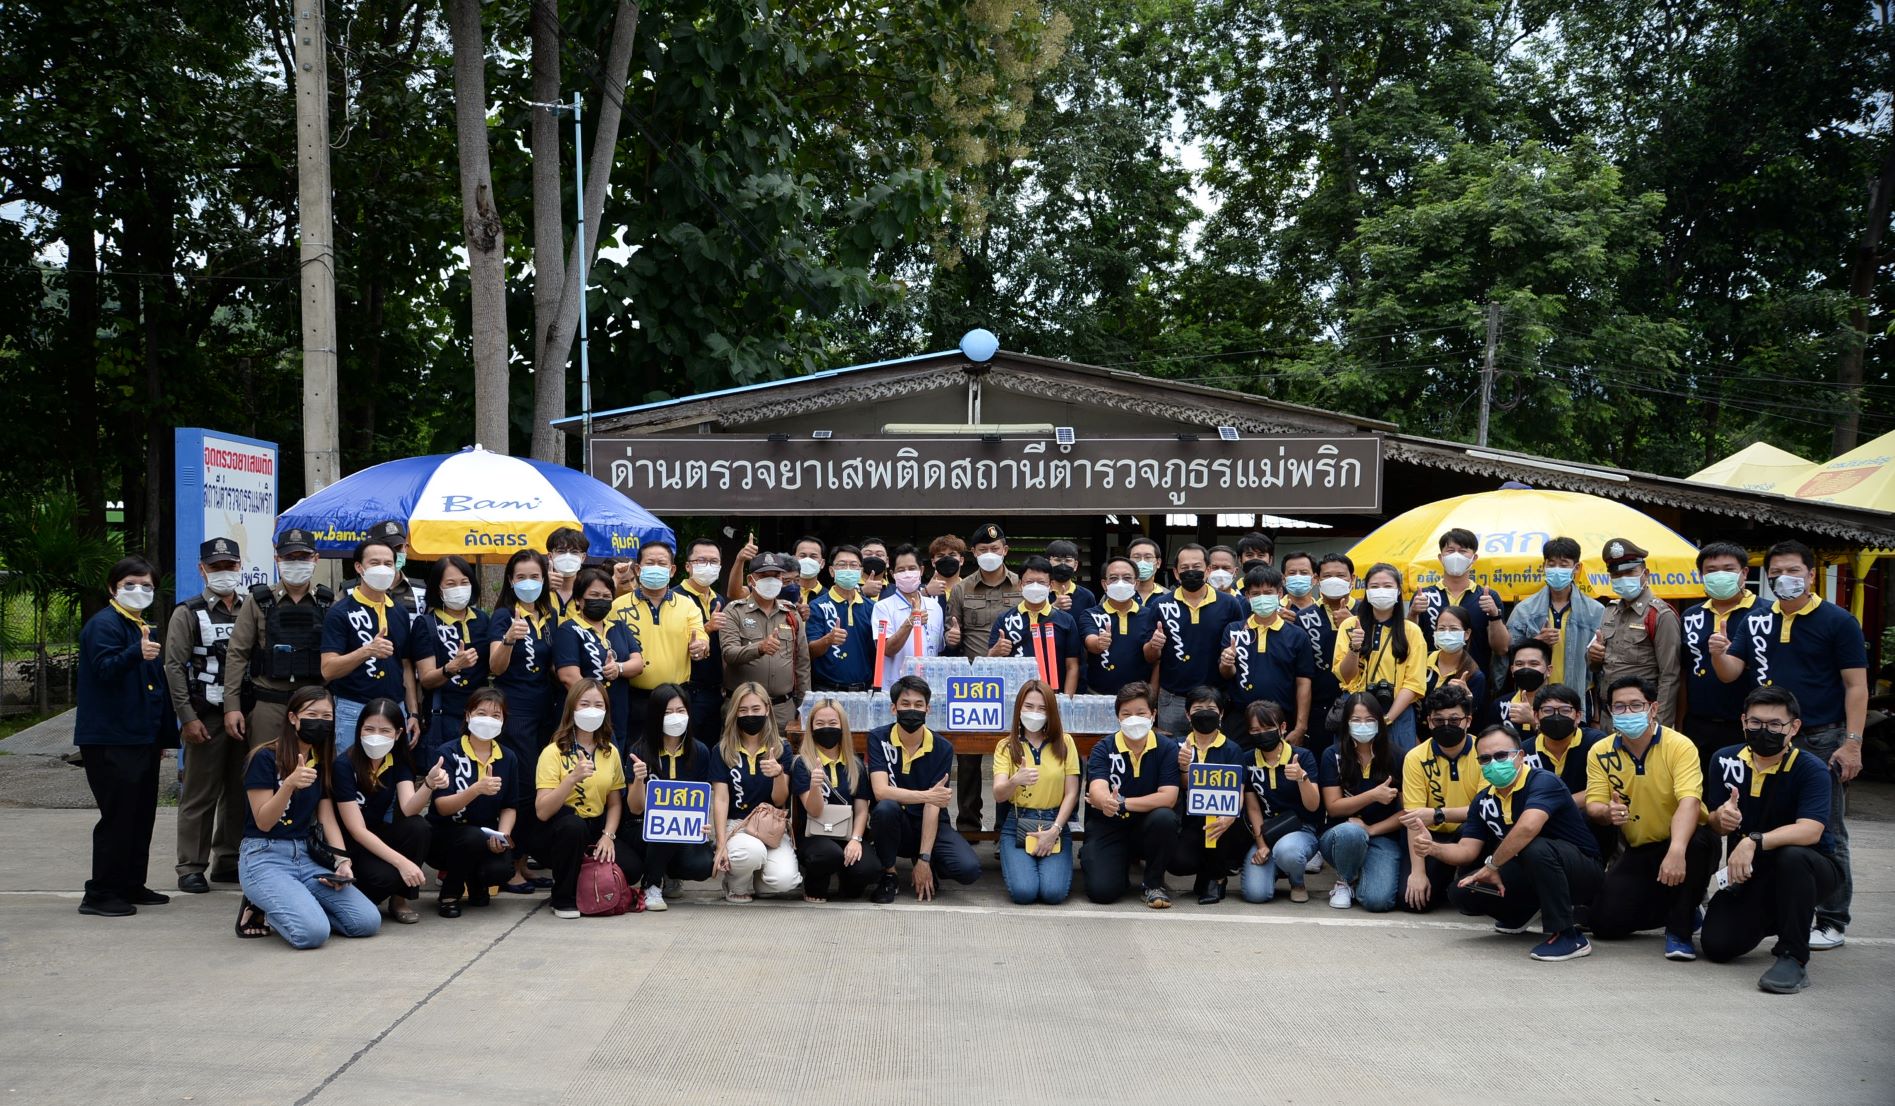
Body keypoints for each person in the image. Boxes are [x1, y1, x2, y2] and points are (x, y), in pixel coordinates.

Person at [1723, 539, 1867, 953]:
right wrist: (1718, 652)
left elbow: (1856, 686)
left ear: (1810, 575)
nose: (1784, 579)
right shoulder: (1756, 620)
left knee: (1827, 829)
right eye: (1775, 573)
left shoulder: (1838, 621)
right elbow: (1733, 669)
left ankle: (1833, 919)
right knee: (1757, 819)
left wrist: (1852, 743)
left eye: (1793, 571)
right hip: (1766, 736)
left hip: (1821, 737)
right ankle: (1757, 904)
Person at [1701, 687, 1845, 993]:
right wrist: (1720, 818)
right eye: (1755, 722)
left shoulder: (1811, 769)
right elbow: (1713, 822)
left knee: (1792, 857)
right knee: (1717, 945)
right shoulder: (1724, 760)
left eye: (1775, 724)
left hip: (1812, 869)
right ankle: (1784, 914)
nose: (1764, 731)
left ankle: (1793, 955)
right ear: (1743, 721)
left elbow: (1811, 830)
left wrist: (1753, 840)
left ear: (1794, 727)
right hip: (1752, 875)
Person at [1434, 723, 1605, 961]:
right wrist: (1432, 847)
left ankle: (1569, 935)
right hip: (1533, 870)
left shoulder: (1543, 781)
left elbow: (1527, 828)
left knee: (1534, 846)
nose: (1493, 763)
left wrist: (1493, 865)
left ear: (1521, 756)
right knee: (1463, 890)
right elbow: (1467, 851)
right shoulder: (1483, 800)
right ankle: (1520, 913)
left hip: (1581, 871)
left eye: (1501, 755)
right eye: (1485, 759)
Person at [235, 685, 380, 947]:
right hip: (264, 855)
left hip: (304, 855)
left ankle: (295, 904)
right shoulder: (264, 757)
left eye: (327, 717)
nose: (320, 722)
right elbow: (263, 822)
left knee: (367, 922)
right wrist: (289, 785)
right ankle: (263, 905)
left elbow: (326, 818)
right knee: (312, 934)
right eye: (312, 715)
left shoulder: (321, 761)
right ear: (293, 717)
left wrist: (341, 861)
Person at [1585, 675, 1717, 960]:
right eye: (1619, 707)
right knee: (1603, 924)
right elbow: (1593, 804)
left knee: (1699, 843)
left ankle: (1680, 928)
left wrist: (1676, 850)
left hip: (1685, 840)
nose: (1627, 712)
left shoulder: (1679, 745)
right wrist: (1607, 812)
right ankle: (1675, 907)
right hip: (1640, 846)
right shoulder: (1600, 751)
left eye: (1636, 705)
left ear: (1653, 708)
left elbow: (1690, 801)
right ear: (1610, 711)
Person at [74, 555, 172, 917]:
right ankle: (100, 893)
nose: (139, 591)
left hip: (140, 737)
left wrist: (160, 737)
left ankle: (131, 883)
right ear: (112, 588)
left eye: (146, 585)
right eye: (130, 584)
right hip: (111, 738)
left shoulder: (139, 626)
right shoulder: (105, 625)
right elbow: (105, 669)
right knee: (118, 816)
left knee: (140, 814)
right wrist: (136, 652)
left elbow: (153, 686)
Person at [165, 536, 249, 894]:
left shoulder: (252, 606)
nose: (224, 571)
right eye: (216, 566)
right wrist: (187, 717)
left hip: (245, 713)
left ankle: (228, 859)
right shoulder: (188, 612)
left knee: (240, 791)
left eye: (230, 565)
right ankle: (190, 866)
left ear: (240, 566)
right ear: (202, 569)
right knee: (200, 793)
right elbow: (174, 667)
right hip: (205, 714)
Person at [530, 679, 645, 919]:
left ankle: (583, 880)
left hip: (596, 827)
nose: (591, 710)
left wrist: (608, 836)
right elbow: (542, 811)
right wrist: (572, 778)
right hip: (561, 828)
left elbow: (615, 803)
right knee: (573, 827)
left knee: (632, 868)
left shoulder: (610, 751)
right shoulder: (553, 751)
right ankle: (562, 897)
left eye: (598, 705)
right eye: (584, 704)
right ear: (572, 708)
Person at [866, 676, 982, 903]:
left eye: (918, 705)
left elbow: (933, 805)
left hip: (930, 822)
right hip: (896, 821)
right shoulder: (878, 738)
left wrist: (924, 859)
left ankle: (928, 864)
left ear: (928, 709)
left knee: (969, 869)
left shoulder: (942, 747)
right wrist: (927, 795)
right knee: (885, 808)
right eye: (905, 704)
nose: (912, 710)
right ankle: (889, 874)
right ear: (893, 708)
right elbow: (881, 791)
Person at [332, 698, 445, 924]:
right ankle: (351, 901)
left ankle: (400, 900)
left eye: (385, 731)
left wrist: (429, 784)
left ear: (398, 733)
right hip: (350, 843)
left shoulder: (398, 759)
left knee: (418, 827)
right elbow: (356, 829)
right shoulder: (344, 765)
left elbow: (409, 808)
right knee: (387, 877)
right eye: (369, 729)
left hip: (378, 832)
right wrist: (402, 863)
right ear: (359, 729)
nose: (376, 736)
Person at [223, 528, 330, 756]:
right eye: (289, 557)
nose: (296, 563)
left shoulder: (328, 603)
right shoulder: (257, 601)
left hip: (313, 706)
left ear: (316, 559)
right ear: (277, 559)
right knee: (263, 765)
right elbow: (237, 654)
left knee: (314, 767)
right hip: (269, 703)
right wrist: (231, 707)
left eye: (303, 557)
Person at [1082, 682, 1181, 907]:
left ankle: (1153, 883)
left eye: (1141, 713)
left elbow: (1168, 797)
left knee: (1165, 818)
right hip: (1109, 826)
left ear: (1153, 714)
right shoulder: (1104, 748)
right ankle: (1118, 868)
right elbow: (1097, 789)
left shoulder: (1167, 748)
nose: (1133, 719)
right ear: (1118, 717)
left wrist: (1123, 802)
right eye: (1126, 714)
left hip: (1147, 826)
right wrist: (1105, 801)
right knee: (1101, 892)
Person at [948, 522, 1020, 832]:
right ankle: (968, 824)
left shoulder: (1021, 586)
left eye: (995, 548)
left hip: (1014, 683)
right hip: (973, 684)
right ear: (973, 553)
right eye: (983, 550)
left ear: (1005, 550)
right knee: (968, 754)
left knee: (1014, 752)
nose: (989, 553)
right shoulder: (961, 589)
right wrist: (951, 638)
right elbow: (953, 636)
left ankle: (1009, 825)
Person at [320, 536, 420, 755]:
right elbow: (328, 669)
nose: (382, 569)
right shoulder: (340, 612)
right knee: (350, 770)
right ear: (359, 567)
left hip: (395, 708)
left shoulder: (399, 612)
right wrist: (367, 651)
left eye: (388, 563)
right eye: (375, 563)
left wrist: (412, 713)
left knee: (394, 771)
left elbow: (405, 665)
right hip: (353, 708)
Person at [428, 689, 523, 918]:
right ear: (468, 715)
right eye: (481, 713)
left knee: (503, 869)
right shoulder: (448, 752)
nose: (488, 720)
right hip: (445, 836)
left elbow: (509, 806)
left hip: (486, 834)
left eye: (496, 716)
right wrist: (476, 790)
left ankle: (476, 882)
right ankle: (450, 893)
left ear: (503, 721)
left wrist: (502, 836)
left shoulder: (508, 757)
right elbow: (442, 807)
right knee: (471, 837)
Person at [711, 682, 805, 902]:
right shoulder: (723, 750)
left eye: (756, 709)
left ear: (767, 709)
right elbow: (721, 799)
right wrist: (720, 843)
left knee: (785, 881)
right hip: (737, 825)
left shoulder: (781, 747)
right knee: (752, 852)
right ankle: (735, 885)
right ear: (734, 713)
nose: (750, 715)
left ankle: (757, 879)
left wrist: (778, 774)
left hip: (770, 825)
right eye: (743, 710)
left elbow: (780, 799)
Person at [612, 541, 710, 749]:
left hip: (675, 699)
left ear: (672, 570)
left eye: (662, 563)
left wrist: (700, 647)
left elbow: (701, 637)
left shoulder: (687, 605)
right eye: (650, 563)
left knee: (675, 752)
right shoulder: (617, 606)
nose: (656, 567)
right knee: (634, 752)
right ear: (638, 569)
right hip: (633, 698)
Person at [991, 681, 1080, 905]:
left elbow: (1071, 793)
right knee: (1024, 892)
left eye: (1042, 708)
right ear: (1019, 708)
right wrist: (1015, 780)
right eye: (1029, 707)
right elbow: (999, 794)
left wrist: (1055, 830)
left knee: (1053, 893)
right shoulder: (1006, 746)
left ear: (1051, 713)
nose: (1035, 713)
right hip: (1018, 822)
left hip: (1055, 821)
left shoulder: (1065, 742)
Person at [1397, 684, 1483, 912]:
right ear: (1429, 722)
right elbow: (1415, 819)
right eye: (1438, 720)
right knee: (1412, 902)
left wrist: (1437, 814)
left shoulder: (1484, 753)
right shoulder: (1415, 757)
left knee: (1472, 903)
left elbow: (1483, 809)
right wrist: (1418, 873)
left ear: (1468, 720)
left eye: (1454, 720)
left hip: (1472, 833)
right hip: (1430, 835)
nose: (1446, 725)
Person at [632, 684, 716, 910]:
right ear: (655, 716)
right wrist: (639, 780)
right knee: (666, 820)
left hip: (682, 832)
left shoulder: (700, 752)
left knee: (702, 864)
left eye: (680, 711)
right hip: (642, 829)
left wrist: (702, 823)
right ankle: (651, 885)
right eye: (667, 712)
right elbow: (635, 808)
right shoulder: (639, 751)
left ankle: (668, 872)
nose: (675, 717)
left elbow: (701, 800)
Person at [1318, 694, 1404, 911]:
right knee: (1352, 832)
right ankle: (1345, 881)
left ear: (1380, 722)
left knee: (1378, 901)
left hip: (1382, 836)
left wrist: (1371, 829)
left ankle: (1361, 877)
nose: (1363, 725)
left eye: (1369, 720)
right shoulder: (1332, 755)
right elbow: (1333, 807)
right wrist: (1373, 795)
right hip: (1341, 836)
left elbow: (1406, 813)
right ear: (1346, 723)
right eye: (1356, 720)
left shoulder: (1397, 756)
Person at [1151, 543, 1247, 736]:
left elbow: (1238, 648)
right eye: (1185, 568)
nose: (1191, 572)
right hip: (1173, 699)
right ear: (1176, 573)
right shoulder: (1160, 604)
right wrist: (1154, 645)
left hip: (1214, 699)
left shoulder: (1230, 604)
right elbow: (1151, 657)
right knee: (1173, 751)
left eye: (1196, 567)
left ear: (1208, 570)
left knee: (1213, 750)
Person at [1678, 541, 1757, 775]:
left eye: (1728, 569)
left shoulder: (1765, 614)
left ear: (1744, 573)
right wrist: (1680, 723)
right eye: (1711, 571)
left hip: (1747, 726)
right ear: (1701, 576)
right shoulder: (1691, 616)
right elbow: (1684, 673)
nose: (1720, 575)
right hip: (1698, 726)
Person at [1587, 537, 1682, 726]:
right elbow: (1600, 666)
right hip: (1608, 715)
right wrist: (1594, 657)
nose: (1623, 579)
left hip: (1641, 717)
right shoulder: (1610, 611)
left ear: (1645, 574)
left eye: (1630, 572)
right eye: (1616, 575)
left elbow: (1670, 676)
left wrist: (1658, 725)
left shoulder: (1660, 615)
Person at [1334, 563, 1428, 754]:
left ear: (1398, 591)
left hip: (1398, 713)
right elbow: (1345, 676)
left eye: (1388, 586)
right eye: (1375, 586)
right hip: (1356, 712)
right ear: (1366, 592)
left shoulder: (1411, 631)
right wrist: (1354, 648)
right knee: (1352, 763)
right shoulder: (1350, 625)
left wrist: (1388, 718)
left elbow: (1414, 683)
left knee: (1398, 766)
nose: (1381, 591)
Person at [1505, 536, 1604, 712]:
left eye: (1564, 565)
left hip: (1578, 695)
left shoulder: (1595, 611)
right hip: (1534, 697)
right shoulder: (1524, 610)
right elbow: (1508, 653)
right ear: (1544, 566)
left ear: (1576, 568)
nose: (1557, 570)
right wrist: (1536, 642)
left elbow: (1600, 670)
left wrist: (1597, 713)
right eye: (1551, 564)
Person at [1237, 700, 1322, 904]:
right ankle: (1274, 868)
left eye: (1268, 728)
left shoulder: (1302, 756)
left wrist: (1302, 778)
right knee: (1256, 894)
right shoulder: (1247, 760)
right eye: (1255, 730)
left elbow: (1313, 805)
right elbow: (1253, 808)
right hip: (1267, 831)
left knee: (1288, 851)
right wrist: (1261, 845)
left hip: (1302, 830)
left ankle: (1297, 881)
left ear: (1282, 727)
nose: (1262, 734)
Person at [794, 699, 878, 902]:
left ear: (842, 726)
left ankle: (847, 882)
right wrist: (815, 785)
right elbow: (814, 811)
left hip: (847, 833)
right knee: (828, 854)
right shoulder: (802, 763)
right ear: (811, 728)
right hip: (814, 834)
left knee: (869, 869)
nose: (827, 728)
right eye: (819, 723)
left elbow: (861, 810)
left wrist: (856, 840)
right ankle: (814, 886)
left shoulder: (855, 765)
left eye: (833, 723)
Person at [1220, 565, 1315, 744]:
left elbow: (1303, 683)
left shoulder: (1297, 635)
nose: (1262, 598)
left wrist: (1301, 727)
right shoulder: (1233, 630)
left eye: (1268, 592)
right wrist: (1226, 663)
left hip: (1281, 718)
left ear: (1279, 593)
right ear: (1247, 596)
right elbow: (1227, 674)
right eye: (1256, 594)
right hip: (1240, 718)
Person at [1170, 685, 1247, 903]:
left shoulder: (1232, 749)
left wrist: (1229, 816)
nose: (1205, 714)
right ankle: (1205, 872)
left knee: (1219, 828)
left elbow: (1239, 789)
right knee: (1177, 862)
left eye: (1211, 709)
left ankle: (1218, 877)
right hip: (1190, 820)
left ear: (1221, 714)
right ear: (1188, 714)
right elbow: (1182, 786)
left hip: (1224, 821)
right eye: (1198, 709)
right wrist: (1184, 767)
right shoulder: (1177, 745)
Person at [485, 549, 559, 775]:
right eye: (521, 577)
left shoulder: (550, 615)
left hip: (546, 707)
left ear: (544, 579)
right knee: (525, 774)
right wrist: (508, 639)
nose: (529, 583)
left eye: (535, 577)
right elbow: (495, 667)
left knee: (546, 772)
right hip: (516, 709)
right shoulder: (503, 616)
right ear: (511, 580)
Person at [555, 567, 645, 750]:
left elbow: (638, 663)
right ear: (579, 599)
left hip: (618, 712)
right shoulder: (568, 630)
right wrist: (596, 706)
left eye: (606, 596)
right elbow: (568, 676)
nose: (601, 600)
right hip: (585, 715)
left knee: (615, 759)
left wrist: (618, 668)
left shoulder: (618, 627)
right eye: (594, 595)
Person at [721, 553, 810, 732]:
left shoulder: (791, 613)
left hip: (782, 709)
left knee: (783, 749)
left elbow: (802, 664)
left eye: (776, 576)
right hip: (743, 708)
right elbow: (729, 653)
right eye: (764, 576)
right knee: (739, 749)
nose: (771, 580)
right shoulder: (734, 611)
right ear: (751, 580)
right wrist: (759, 648)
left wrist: (804, 707)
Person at [412, 555, 489, 746]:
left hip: (481, 715)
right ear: (438, 588)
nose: (459, 588)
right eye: (451, 584)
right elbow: (426, 679)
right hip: (444, 716)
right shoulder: (426, 623)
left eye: (464, 582)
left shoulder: (482, 619)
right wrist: (452, 667)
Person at [1410, 528, 1509, 672]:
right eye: (1450, 551)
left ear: (1474, 558)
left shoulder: (1488, 597)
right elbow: (1409, 642)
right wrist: (1413, 613)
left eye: (1463, 551)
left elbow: (1502, 649)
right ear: (1441, 557)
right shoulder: (1424, 596)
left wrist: (1495, 615)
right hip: (1428, 677)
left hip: (1474, 677)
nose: (1456, 556)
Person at [988, 555, 1082, 694]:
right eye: (1030, 582)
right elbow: (989, 661)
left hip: (1053, 695)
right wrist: (995, 652)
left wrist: (1066, 700)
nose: (1035, 587)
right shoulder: (1005, 619)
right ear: (1020, 585)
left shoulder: (1066, 620)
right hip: (1015, 695)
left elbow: (1072, 666)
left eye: (1041, 582)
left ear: (1051, 586)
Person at [1290, 551, 1353, 749]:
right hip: (1318, 707)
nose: (1334, 580)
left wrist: (1351, 623)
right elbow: (1302, 674)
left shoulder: (1366, 612)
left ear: (1352, 579)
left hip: (1359, 704)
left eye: (1340, 575)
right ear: (1316, 579)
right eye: (1327, 576)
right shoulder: (1304, 617)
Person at [1080, 555, 1160, 697]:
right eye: (1113, 578)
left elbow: (1153, 659)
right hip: (1098, 695)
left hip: (1138, 697)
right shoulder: (1090, 614)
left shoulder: (1150, 615)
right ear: (1104, 584)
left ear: (1136, 583)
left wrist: (1155, 645)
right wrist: (1099, 643)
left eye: (1127, 578)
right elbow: (1090, 641)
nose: (1120, 583)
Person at [678, 537, 730, 746]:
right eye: (701, 561)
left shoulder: (719, 599)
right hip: (688, 689)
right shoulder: (675, 598)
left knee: (710, 747)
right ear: (688, 566)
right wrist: (707, 627)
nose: (708, 566)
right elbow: (671, 644)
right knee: (688, 747)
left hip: (715, 690)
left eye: (714, 561)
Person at [871, 544, 951, 675]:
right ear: (892, 574)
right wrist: (910, 622)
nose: (907, 573)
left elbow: (939, 648)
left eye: (912, 568)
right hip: (896, 683)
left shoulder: (935, 606)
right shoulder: (882, 607)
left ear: (921, 570)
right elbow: (886, 650)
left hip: (928, 683)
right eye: (901, 570)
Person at [807, 544, 875, 692]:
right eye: (842, 565)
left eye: (854, 565)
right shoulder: (817, 606)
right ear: (832, 571)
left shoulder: (872, 607)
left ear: (861, 571)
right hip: (827, 690)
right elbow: (809, 651)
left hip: (863, 690)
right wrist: (828, 639)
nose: (848, 569)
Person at [345, 519, 426, 630]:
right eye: (386, 549)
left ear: (406, 548)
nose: (392, 554)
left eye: (397, 548)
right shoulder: (348, 592)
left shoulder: (422, 592)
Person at [1421, 604, 1488, 714]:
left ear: (1467, 634)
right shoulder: (1422, 660)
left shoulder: (1474, 676)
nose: (1447, 633)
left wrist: (1468, 698)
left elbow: (1473, 716)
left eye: (1454, 629)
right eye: (1441, 628)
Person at [1492, 640, 1553, 738]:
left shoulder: (1561, 704)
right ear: (1512, 670)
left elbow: (1564, 744)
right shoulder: (1500, 705)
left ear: (1549, 670)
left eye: (1534, 664)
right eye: (1519, 664)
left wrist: (1533, 720)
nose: (1526, 669)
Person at [545, 525, 590, 618]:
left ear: (583, 557)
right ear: (550, 556)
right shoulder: (537, 591)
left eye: (574, 552)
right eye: (561, 551)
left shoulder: (589, 593)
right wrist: (543, 587)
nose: (568, 556)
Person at [1044, 539, 1097, 616]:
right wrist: (1054, 607)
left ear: (1075, 565)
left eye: (1068, 561)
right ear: (1047, 563)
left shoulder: (1087, 596)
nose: (1063, 565)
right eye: (1057, 560)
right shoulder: (1040, 593)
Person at [789, 534, 827, 613]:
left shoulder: (829, 597)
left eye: (813, 556)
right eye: (802, 556)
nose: (807, 560)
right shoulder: (782, 594)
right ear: (793, 560)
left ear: (822, 563)